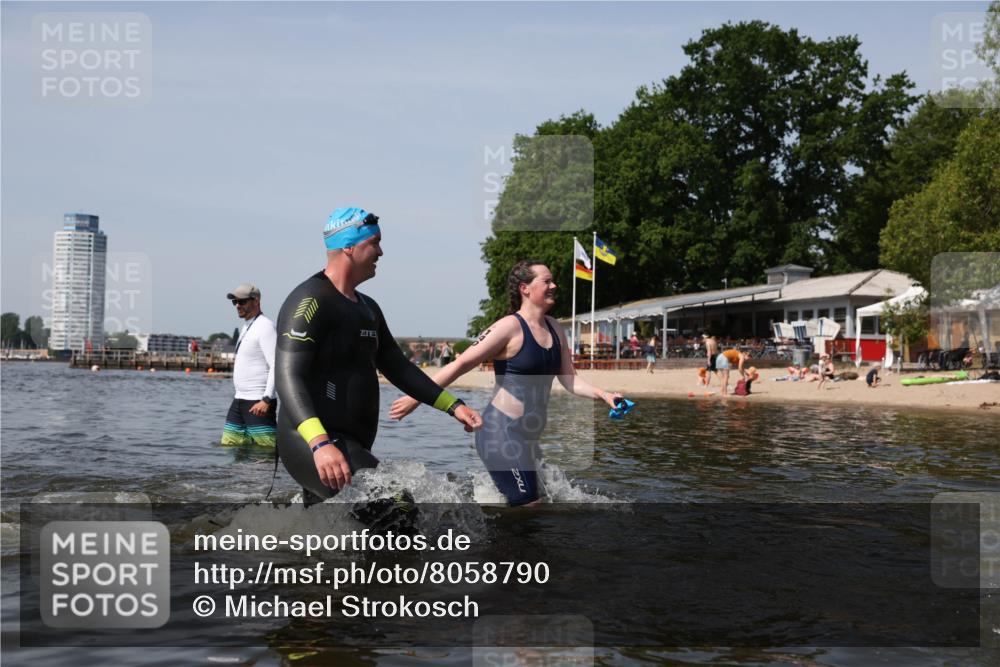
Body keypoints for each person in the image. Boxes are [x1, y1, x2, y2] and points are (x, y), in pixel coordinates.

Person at [274, 207, 481, 505]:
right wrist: (319, 444)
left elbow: (397, 366)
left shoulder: (367, 308)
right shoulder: (309, 301)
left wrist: (454, 406)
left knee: (342, 535)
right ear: (348, 246)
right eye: (374, 243)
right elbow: (288, 377)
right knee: (398, 508)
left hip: (350, 442)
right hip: (311, 441)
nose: (381, 252)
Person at [390, 260, 622, 506]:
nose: (554, 285)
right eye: (546, 281)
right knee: (528, 505)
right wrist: (417, 396)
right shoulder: (508, 327)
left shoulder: (555, 328)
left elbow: (569, 379)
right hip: (500, 433)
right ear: (525, 288)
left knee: (534, 505)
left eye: (553, 281)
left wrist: (604, 395)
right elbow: (459, 365)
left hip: (528, 437)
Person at [221, 284, 278, 447]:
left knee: (266, 450)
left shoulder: (265, 326)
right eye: (235, 302)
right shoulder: (247, 325)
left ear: (256, 301)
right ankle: (238, 474)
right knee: (229, 445)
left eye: (242, 301)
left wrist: (266, 399)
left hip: (258, 401)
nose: (238, 305)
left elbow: (275, 364)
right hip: (239, 399)